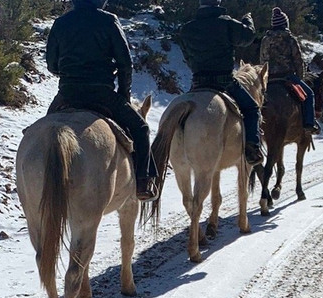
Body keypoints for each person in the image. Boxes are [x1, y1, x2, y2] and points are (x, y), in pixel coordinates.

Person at [45, 0, 155, 200]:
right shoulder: (108, 20)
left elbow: (51, 64)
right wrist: (124, 95)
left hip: (67, 93)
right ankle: (142, 182)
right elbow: (125, 63)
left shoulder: (61, 22)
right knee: (141, 129)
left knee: (44, 130)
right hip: (101, 93)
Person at [178, 0, 264, 165]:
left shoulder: (187, 29)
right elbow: (248, 37)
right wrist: (248, 21)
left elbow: (188, 57)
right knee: (252, 109)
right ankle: (252, 149)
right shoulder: (226, 23)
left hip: (198, 82)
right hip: (224, 81)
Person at [259, 7, 319, 134]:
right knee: (309, 95)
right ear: (285, 24)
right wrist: (300, 77)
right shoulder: (290, 39)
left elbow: (263, 60)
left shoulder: (265, 39)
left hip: (269, 78)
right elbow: (298, 60)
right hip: (287, 76)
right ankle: (309, 124)